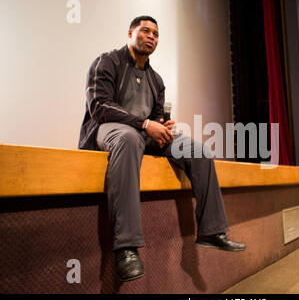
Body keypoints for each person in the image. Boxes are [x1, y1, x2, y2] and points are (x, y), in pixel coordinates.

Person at [78, 15, 246, 282]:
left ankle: (212, 231)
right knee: (129, 138)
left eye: (156, 34)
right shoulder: (106, 61)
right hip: (108, 131)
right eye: (145, 31)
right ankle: (126, 247)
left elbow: (155, 118)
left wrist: (161, 124)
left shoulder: (156, 80)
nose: (151, 37)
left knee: (198, 151)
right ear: (130, 33)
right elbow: (99, 107)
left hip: (143, 135)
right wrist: (145, 124)